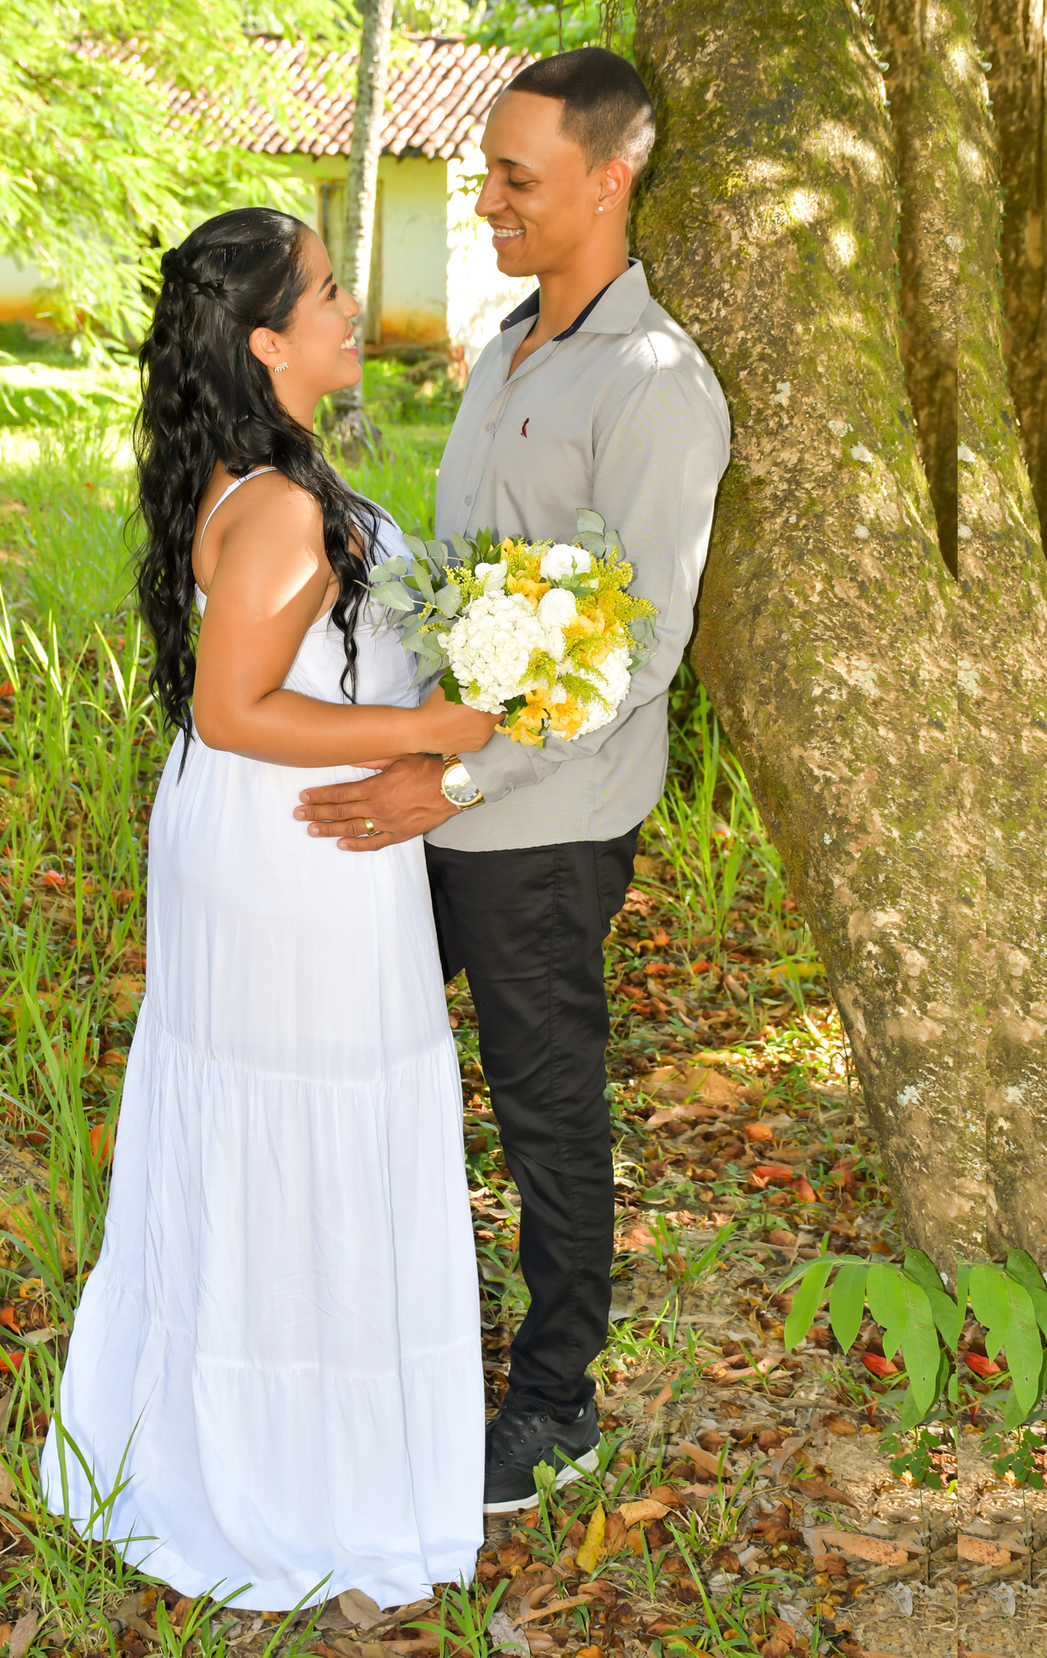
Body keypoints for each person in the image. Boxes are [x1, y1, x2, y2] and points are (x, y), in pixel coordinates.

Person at [293, 48, 732, 1513]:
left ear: (609, 182)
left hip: (543, 824)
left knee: (546, 1115)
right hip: (437, 783)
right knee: (365, 1054)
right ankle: (368, 1336)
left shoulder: (658, 390)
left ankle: (555, 1405)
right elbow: (464, 579)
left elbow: (639, 650)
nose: (484, 199)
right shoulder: (507, 343)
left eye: (513, 178)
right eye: (484, 171)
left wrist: (462, 784)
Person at [41, 207, 498, 1608]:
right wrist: (436, 731)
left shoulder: (264, 473)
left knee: (281, 1119)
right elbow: (234, 708)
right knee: (305, 1116)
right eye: (328, 292)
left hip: (277, 838)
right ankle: (297, 1480)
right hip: (293, 851)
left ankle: (273, 1442)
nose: (352, 307)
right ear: (266, 343)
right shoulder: (285, 505)